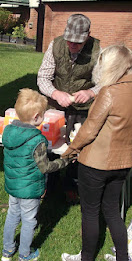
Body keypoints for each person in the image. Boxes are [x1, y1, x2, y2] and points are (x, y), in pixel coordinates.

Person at [60, 45, 132, 261]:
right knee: (112, 211)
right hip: (124, 161)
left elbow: (89, 129)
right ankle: (122, 257)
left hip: (96, 163)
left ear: (111, 66)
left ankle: (86, 257)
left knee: (90, 212)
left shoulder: (109, 92)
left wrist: (70, 151)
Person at [37, 14, 101, 202]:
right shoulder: (55, 45)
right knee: (49, 145)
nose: (72, 45)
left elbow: (105, 82)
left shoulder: (98, 50)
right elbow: (43, 77)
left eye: (78, 42)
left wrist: (91, 93)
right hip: (55, 106)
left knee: (78, 146)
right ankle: (49, 183)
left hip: (83, 109)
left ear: (88, 36)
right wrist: (55, 93)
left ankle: (72, 184)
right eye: (69, 40)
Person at [1, 88, 70, 261]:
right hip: (30, 189)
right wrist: (65, 161)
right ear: (36, 117)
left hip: (13, 185)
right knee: (29, 221)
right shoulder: (37, 140)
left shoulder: (8, 132)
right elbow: (45, 167)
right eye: (44, 114)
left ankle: (7, 251)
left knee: (12, 215)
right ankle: (25, 254)